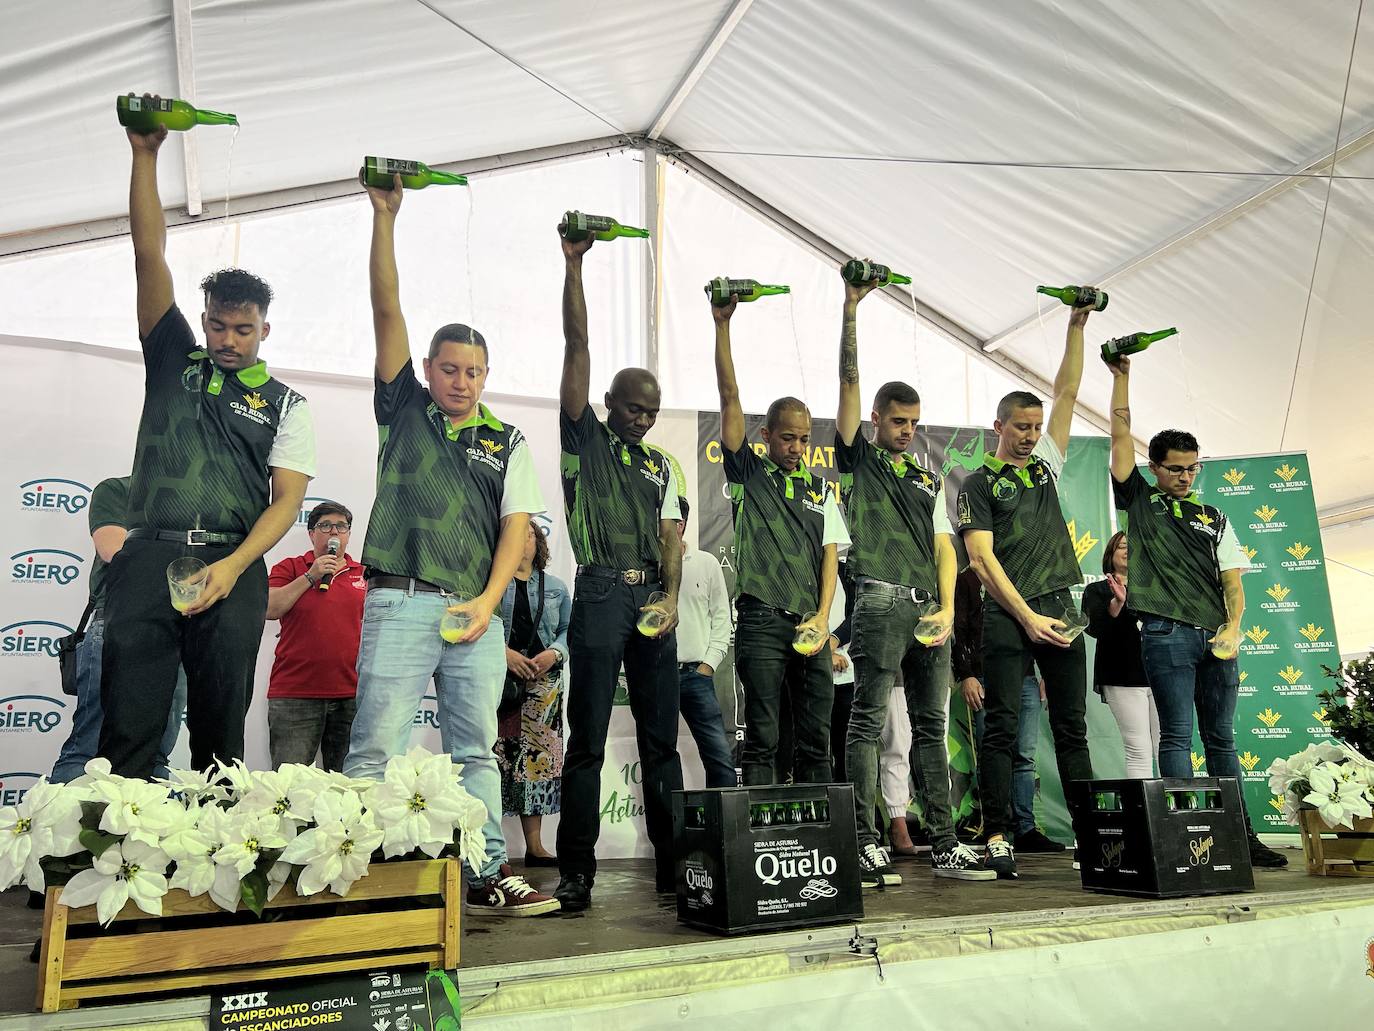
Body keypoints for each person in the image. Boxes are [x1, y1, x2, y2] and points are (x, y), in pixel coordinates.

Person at [342, 173, 557, 915]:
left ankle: (487, 871)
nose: (460, 380)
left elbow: (515, 528)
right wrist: (385, 218)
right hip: (402, 600)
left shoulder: (507, 438)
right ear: (428, 370)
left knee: (475, 752)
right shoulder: (403, 406)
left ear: (486, 375)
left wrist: (489, 605)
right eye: (449, 368)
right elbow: (386, 309)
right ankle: (360, 876)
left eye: (473, 371)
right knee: (377, 746)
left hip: (477, 614)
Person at [98, 103, 314, 778]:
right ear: (204, 321)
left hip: (234, 566)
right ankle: (121, 863)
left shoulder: (287, 404)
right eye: (218, 326)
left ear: (264, 331)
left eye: (241, 329)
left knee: (221, 737)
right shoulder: (172, 359)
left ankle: (217, 872)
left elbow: (285, 504)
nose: (226, 339)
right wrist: (145, 154)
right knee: (129, 724)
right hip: (145, 560)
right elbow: (147, 253)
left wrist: (231, 566)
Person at [835, 272, 991, 886]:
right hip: (877, 601)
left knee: (931, 726)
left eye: (913, 422)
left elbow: (945, 547)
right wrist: (851, 310)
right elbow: (847, 384)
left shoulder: (927, 477)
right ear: (876, 418)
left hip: (932, 610)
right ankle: (866, 841)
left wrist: (949, 608)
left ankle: (946, 843)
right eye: (897, 421)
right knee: (868, 721)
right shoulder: (859, 458)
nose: (906, 430)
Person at [1105, 356, 1286, 867]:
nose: (1185, 476)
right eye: (1175, 469)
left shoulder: (1215, 516)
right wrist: (1121, 376)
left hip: (1215, 637)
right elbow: (1120, 440)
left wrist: (1233, 627)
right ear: (1155, 468)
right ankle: (1189, 838)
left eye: (1192, 468)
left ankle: (1242, 836)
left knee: (1222, 738)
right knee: (1177, 735)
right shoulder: (1140, 501)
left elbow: (1233, 582)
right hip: (1163, 633)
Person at [554, 229, 684, 912]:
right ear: (607, 401)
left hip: (651, 601)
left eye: (653, 411)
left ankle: (674, 867)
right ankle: (575, 871)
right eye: (634, 406)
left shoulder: (664, 464)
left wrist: (670, 597)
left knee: (663, 743)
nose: (643, 418)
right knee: (590, 739)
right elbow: (577, 346)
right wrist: (575, 265)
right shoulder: (585, 439)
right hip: (601, 590)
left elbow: (673, 536)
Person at [956, 296, 1096, 879]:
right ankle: (996, 835)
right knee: (1003, 728)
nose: (1031, 437)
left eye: (1036, 429)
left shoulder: (1046, 467)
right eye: (1021, 427)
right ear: (998, 426)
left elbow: (1065, 391)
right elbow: (982, 561)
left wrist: (1076, 324)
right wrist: (1025, 617)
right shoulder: (976, 482)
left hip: (1060, 611)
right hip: (1009, 617)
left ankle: (1094, 833)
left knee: (1071, 728)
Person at [712, 289, 849, 790]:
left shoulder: (820, 490)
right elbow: (730, 399)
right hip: (762, 621)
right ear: (766, 435)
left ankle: (818, 836)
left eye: (805, 438)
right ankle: (762, 835)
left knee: (816, 735)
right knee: (765, 734)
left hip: (811, 626)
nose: (797, 446)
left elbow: (831, 557)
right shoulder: (749, 474)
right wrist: (722, 325)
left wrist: (822, 617)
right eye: (788, 437)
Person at [51, 476, 186, 783]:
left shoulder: (201, 508)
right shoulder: (119, 489)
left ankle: (140, 830)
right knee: (88, 750)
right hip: (114, 624)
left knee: (157, 753)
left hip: (175, 631)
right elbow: (115, 550)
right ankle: (60, 827)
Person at [265, 501, 366, 771]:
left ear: (348, 534)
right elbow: (270, 608)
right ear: (311, 533)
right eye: (325, 526)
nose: (334, 532)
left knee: (348, 790)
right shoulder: (290, 568)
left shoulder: (365, 575)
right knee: (289, 787)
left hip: (352, 696)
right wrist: (311, 576)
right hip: (295, 694)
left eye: (341, 526)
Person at [496, 520, 572, 865]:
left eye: (529, 533)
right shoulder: (493, 585)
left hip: (544, 688)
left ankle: (535, 847)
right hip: (499, 681)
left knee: (537, 765)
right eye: (517, 533)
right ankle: (491, 849)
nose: (524, 539)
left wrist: (554, 652)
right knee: (495, 761)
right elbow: (478, 622)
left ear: (538, 542)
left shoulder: (555, 587)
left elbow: (570, 629)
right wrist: (504, 654)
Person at [1081, 531, 1157, 779]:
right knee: (1138, 748)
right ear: (1111, 554)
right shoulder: (1096, 590)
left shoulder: (1154, 587)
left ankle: (1171, 812)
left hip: (1161, 675)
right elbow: (1094, 628)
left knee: (1167, 746)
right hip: (1121, 676)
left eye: (1134, 546)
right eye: (1122, 547)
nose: (1128, 551)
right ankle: (1144, 815)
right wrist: (1117, 604)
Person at [673, 499, 737, 788]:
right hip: (655, 675)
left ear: (681, 525)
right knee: (658, 755)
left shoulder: (706, 563)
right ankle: (668, 832)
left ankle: (723, 830)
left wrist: (708, 665)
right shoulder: (644, 566)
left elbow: (723, 618)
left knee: (719, 757)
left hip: (695, 674)